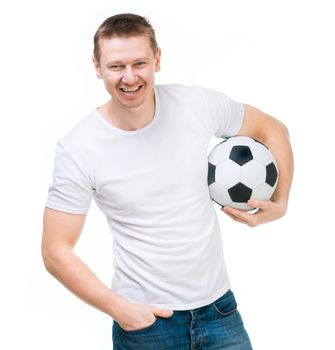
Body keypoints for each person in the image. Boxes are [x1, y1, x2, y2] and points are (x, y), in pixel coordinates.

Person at [42, 13, 293, 350]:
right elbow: (56, 250)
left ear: (157, 60)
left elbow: (273, 130)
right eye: (116, 66)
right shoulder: (79, 148)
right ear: (97, 66)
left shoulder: (196, 104)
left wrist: (281, 202)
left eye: (140, 63)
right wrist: (122, 310)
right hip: (147, 325)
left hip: (219, 310)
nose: (129, 78)